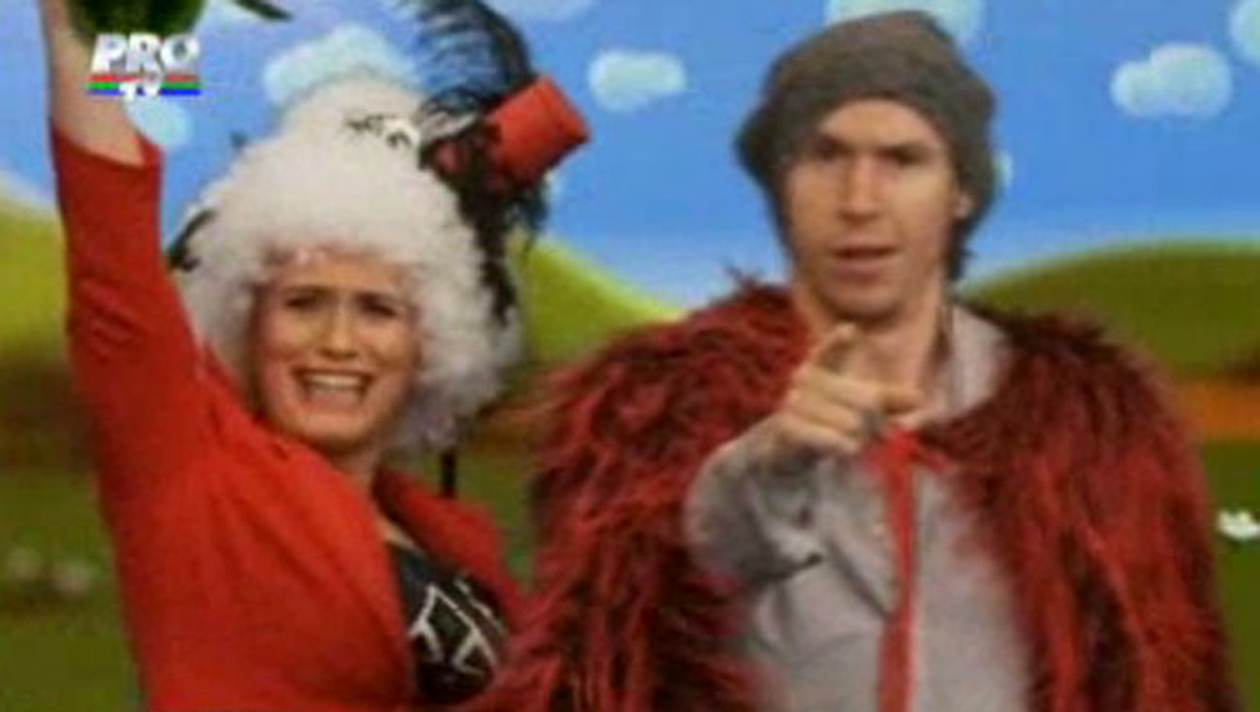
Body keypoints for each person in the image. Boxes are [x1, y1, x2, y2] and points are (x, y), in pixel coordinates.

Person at [468, 11, 1238, 712]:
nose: (860, 199)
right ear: (779, 181)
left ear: (961, 190)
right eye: (824, 155)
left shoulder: (1092, 429)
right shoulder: (656, 413)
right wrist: (764, 466)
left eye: (902, 159)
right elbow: (622, 628)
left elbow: (1163, 673)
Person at [38, 0, 586, 708]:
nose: (338, 342)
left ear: (430, 340)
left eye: (378, 310)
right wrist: (118, 43)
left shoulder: (446, 535)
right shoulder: (191, 473)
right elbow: (108, 225)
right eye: (303, 303)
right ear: (249, 319)